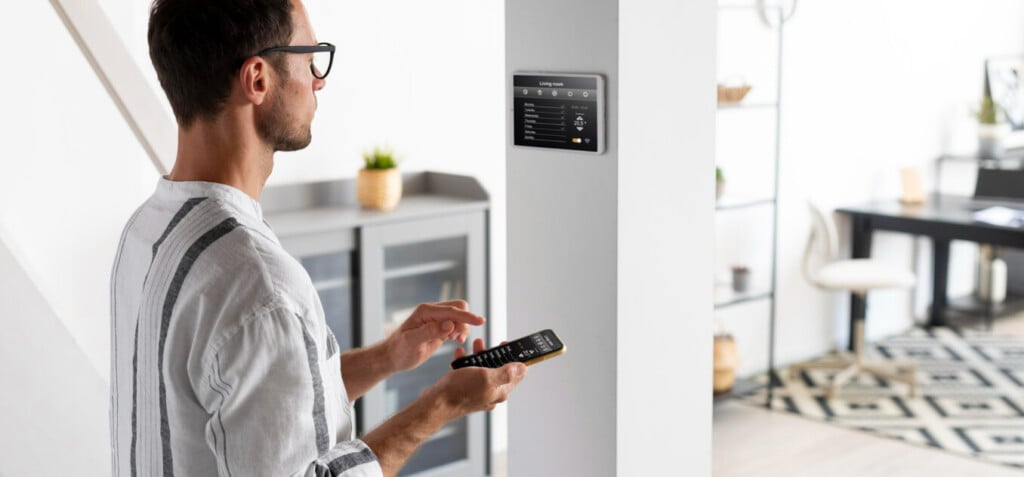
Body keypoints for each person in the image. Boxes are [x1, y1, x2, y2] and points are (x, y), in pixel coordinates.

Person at [109, 1, 527, 475]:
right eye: (311, 58)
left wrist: (387, 357)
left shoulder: (147, 231)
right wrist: (442, 405)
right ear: (258, 79)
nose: (320, 79)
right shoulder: (258, 284)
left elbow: (260, 407)